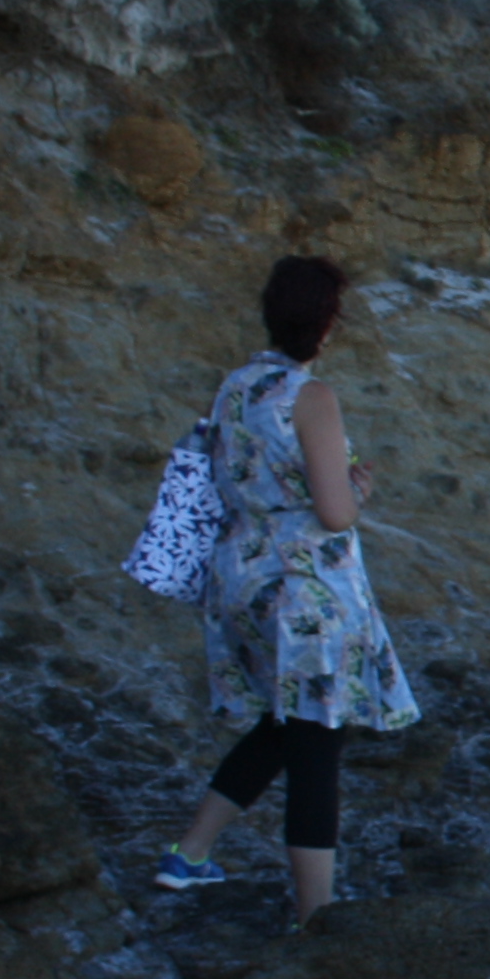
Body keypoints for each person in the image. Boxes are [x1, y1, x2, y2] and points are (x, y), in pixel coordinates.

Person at [155, 255, 420, 917]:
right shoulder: (312, 397)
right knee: (316, 741)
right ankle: (316, 915)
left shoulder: (235, 387)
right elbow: (334, 513)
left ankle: (188, 856)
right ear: (325, 324)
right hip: (306, 588)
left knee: (284, 721)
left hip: (243, 576)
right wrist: (359, 494)